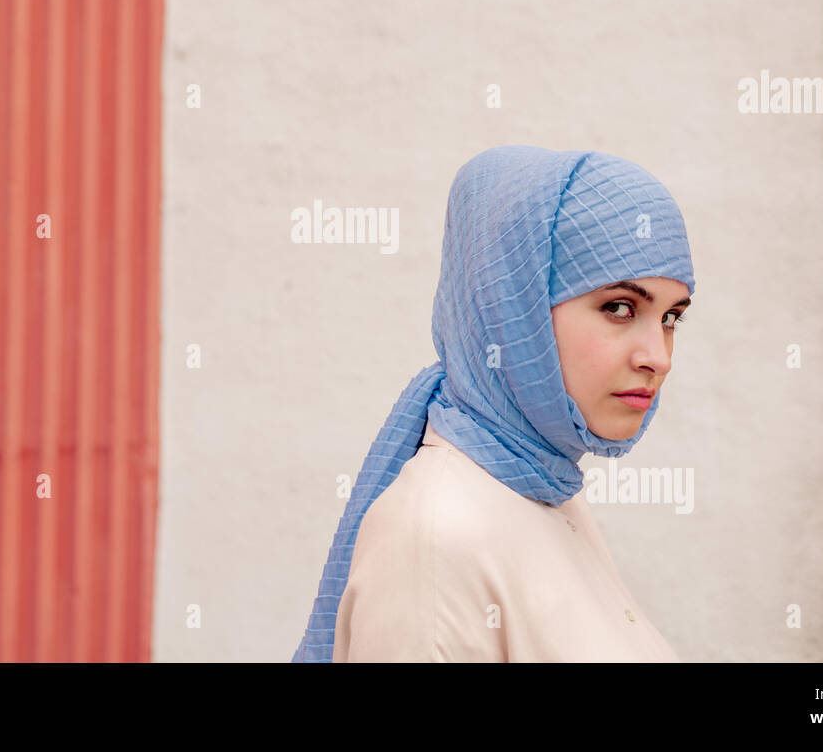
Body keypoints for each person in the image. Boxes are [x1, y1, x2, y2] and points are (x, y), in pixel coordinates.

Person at [291, 145, 696, 662]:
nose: (658, 357)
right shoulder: (437, 541)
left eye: (671, 317)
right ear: (512, 313)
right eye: (619, 308)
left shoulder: (544, 486)